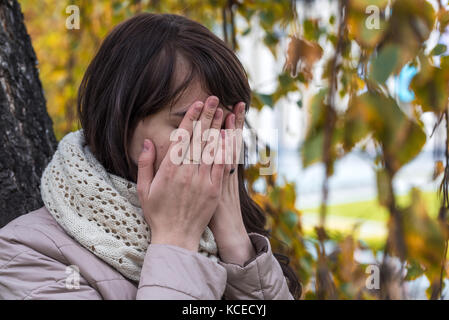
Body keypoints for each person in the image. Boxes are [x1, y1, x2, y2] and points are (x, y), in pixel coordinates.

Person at [0, 13, 301, 300]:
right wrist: (177, 241)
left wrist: (238, 247)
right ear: (121, 122)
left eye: (224, 125)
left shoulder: (230, 239)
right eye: (194, 123)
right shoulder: (26, 254)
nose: (213, 145)